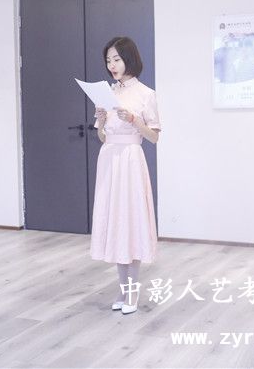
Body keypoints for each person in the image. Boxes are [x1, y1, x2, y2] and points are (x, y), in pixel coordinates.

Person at [90, 37, 161, 315]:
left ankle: (132, 292)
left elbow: (153, 137)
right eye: (108, 60)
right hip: (110, 159)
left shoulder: (145, 94)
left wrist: (134, 120)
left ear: (129, 59)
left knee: (131, 223)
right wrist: (102, 122)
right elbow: (102, 136)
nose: (112, 65)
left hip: (131, 160)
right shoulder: (107, 93)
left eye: (117, 59)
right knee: (117, 223)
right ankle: (122, 290)